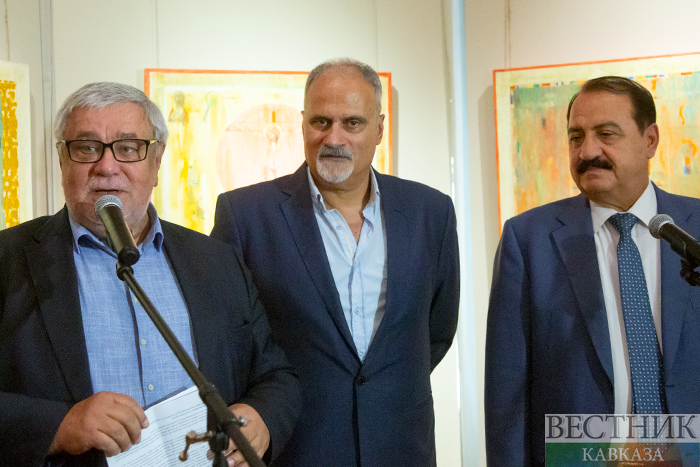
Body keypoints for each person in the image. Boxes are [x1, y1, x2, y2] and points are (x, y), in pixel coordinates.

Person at [0, 82, 299, 467]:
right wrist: (58, 425)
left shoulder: (216, 261)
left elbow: (276, 376)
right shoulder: (8, 260)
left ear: (156, 162)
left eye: (128, 148)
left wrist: (262, 419)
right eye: (87, 148)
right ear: (62, 160)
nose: (107, 166)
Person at [211, 58, 459, 466]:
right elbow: (226, 343)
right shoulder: (246, 217)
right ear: (302, 124)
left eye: (353, 123)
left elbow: (437, 331)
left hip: (402, 449)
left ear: (379, 129)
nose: (334, 138)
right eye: (321, 122)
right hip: (295, 449)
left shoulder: (430, 212)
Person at [485, 76, 700, 466]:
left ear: (650, 140)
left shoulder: (693, 230)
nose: (587, 151)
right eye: (576, 137)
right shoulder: (529, 240)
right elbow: (507, 396)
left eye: (606, 134)